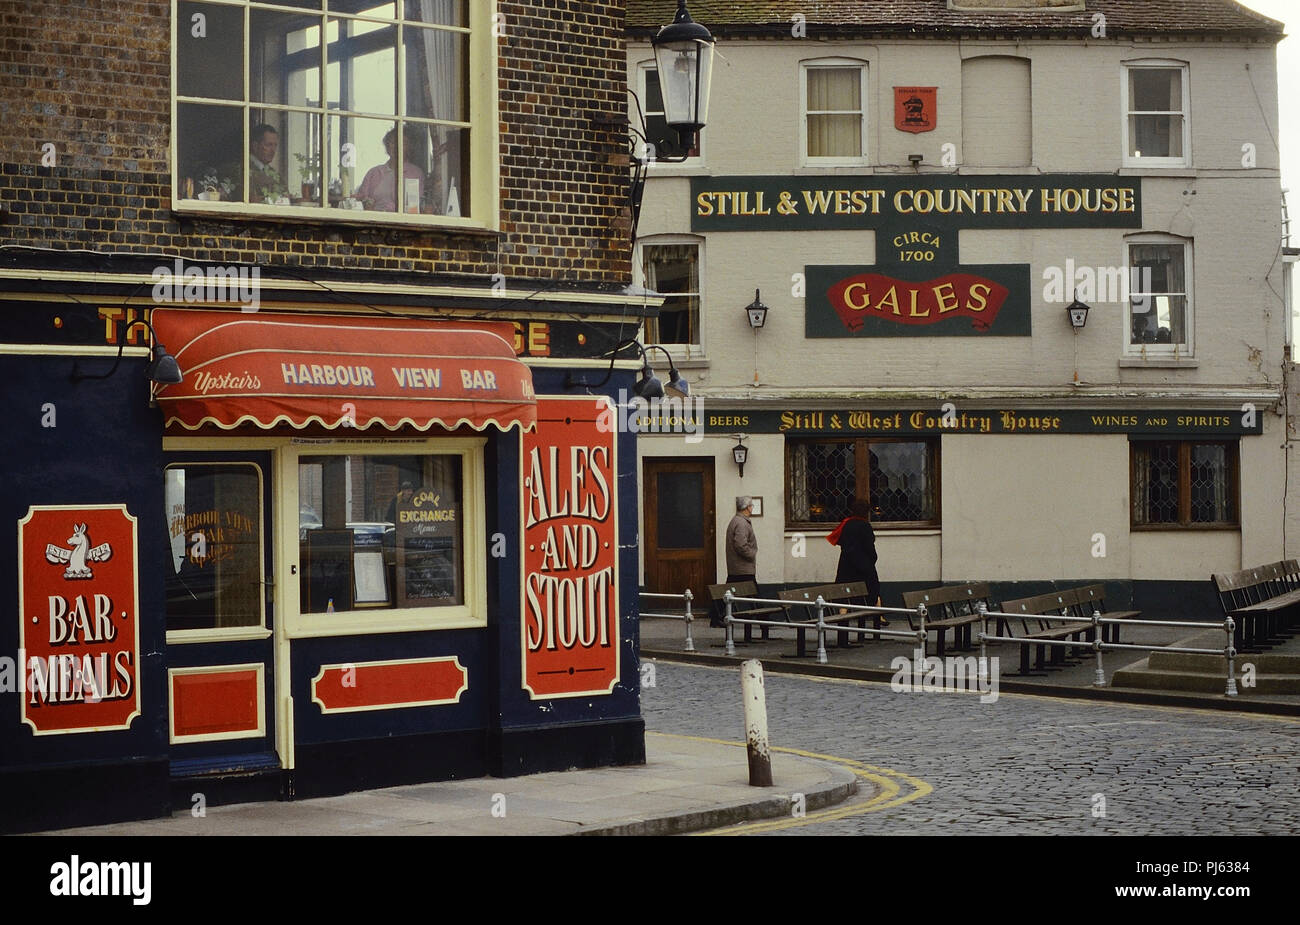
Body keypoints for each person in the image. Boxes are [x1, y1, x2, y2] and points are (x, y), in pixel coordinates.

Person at [827, 498, 886, 625]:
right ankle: (879, 617)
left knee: (844, 595)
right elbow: (870, 546)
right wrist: (872, 560)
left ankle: (841, 619)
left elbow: (840, 541)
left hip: (846, 565)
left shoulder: (846, 524)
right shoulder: (865, 526)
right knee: (873, 589)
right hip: (863, 565)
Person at [356, 128, 426, 213]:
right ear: (387, 146)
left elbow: (414, 207)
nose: (397, 146)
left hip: (403, 222)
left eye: (403, 143)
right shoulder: (374, 172)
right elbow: (361, 199)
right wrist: (366, 203)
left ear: (408, 147)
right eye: (393, 142)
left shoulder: (415, 173)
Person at [718, 496, 758, 628]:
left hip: (737, 567)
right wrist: (751, 554)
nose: (752, 507)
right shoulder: (741, 523)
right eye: (751, 505)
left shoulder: (737, 521)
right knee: (755, 594)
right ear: (747, 507)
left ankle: (715, 616)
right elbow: (740, 545)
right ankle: (764, 622)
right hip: (743, 567)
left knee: (728, 591)